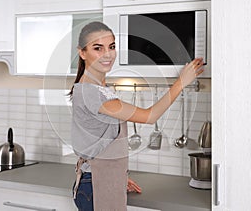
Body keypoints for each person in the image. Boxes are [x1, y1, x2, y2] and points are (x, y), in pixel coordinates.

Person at [70, 21, 204, 211]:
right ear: (82, 53)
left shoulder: (100, 88)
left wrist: (117, 176)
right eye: (97, 48)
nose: (107, 54)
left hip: (100, 180)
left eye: (112, 47)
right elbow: (149, 116)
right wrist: (181, 82)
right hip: (94, 187)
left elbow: (101, 143)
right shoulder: (91, 93)